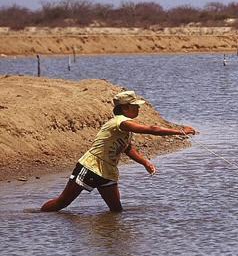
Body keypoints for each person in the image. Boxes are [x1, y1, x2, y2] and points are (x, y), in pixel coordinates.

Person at [40, 90, 197, 212]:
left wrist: (145, 162)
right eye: (135, 106)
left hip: (108, 171)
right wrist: (180, 131)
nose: (138, 109)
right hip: (90, 167)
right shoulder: (120, 122)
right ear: (125, 108)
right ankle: (37, 216)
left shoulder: (125, 127)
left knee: (116, 211)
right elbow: (152, 129)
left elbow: (127, 148)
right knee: (62, 203)